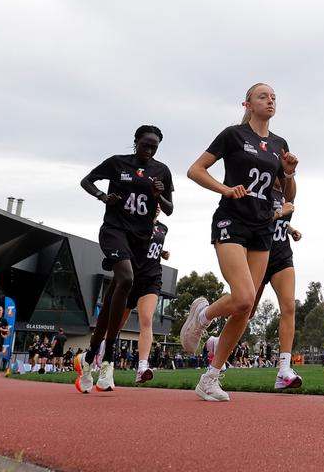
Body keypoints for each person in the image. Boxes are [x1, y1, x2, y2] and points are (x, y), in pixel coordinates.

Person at [179, 83, 299, 402]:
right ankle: (203, 316)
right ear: (247, 103)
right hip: (231, 219)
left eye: (274, 96)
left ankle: (210, 378)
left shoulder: (279, 144)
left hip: (262, 227)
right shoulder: (233, 135)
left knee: (245, 309)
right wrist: (225, 189)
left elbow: (286, 195)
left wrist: (288, 173)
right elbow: (195, 170)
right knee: (244, 296)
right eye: (263, 96)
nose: (270, 100)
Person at [74, 125, 174, 393]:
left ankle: (90, 354)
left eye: (154, 147)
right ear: (136, 142)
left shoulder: (161, 170)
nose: (149, 150)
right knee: (127, 279)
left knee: (117, 290)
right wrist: (103, 196)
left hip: (140, 239)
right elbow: (87, 181)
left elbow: (170, 209)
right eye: (145, 145)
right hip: (115, 230)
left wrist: (159, 195)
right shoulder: (118, 163)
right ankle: (107, 358)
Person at [248, 185, 303, 389]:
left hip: (281, 256)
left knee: (289, 307)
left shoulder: (284, 193)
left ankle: (284, 369)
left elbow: (281, 219)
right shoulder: (259, 188)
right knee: (247, 309)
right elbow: (255, 221)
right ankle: (218, 344)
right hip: (259, 253)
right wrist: (280, 213)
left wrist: (291, 230)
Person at [116, 217, 170, 384]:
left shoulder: (163, 227)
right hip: (132, 277)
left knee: (146, 320)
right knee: (117, 324)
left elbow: (150, 246)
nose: (159, 205)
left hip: (152, 277)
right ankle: (100, 347)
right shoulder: (134, 222)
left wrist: (162, 252)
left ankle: (142, 367)